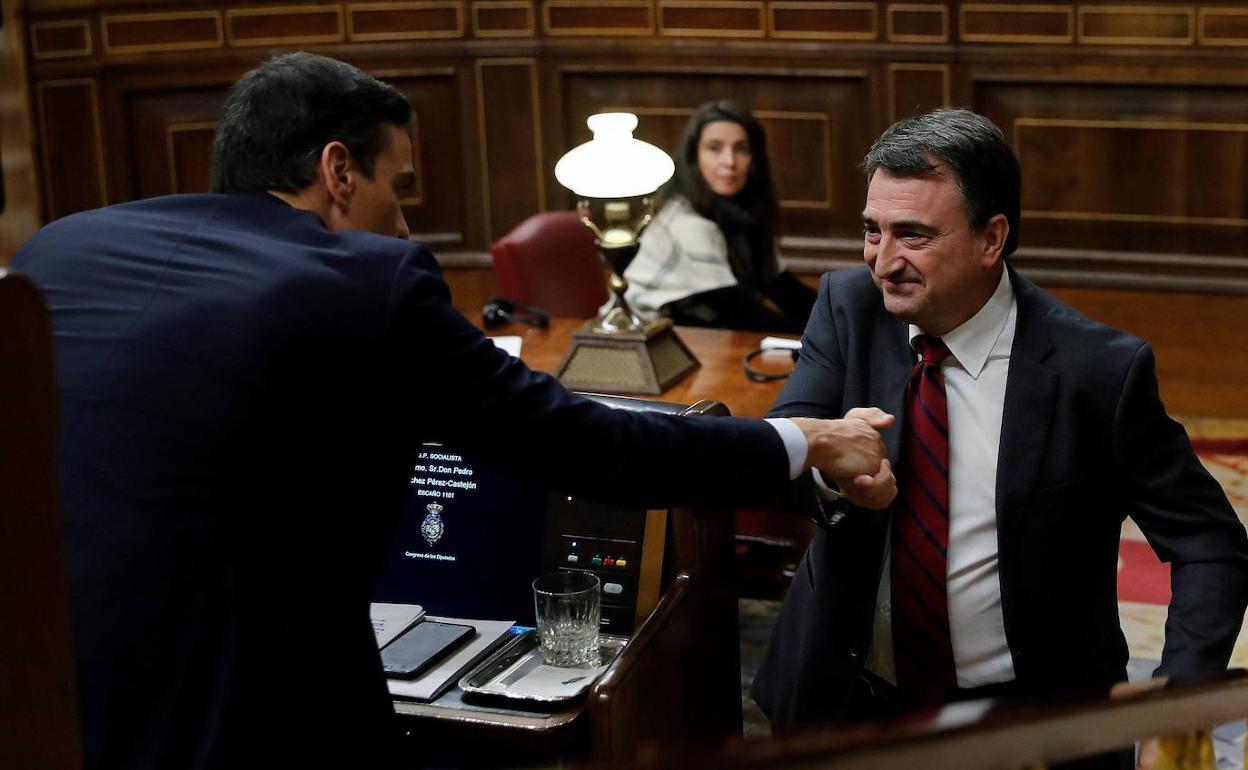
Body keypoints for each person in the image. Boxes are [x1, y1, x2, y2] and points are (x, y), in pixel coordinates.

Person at [11, 53, 892, 770]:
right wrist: (801, 440)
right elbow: (575, 440)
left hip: (44, 686)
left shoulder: (65, 245)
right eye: (400, 189)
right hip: (254, 707)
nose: (403, 227)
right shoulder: (365, 281)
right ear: (336, 171)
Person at [749, 108, 1248, 768]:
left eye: (914, 236)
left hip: (1029, 728)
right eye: (873, 231)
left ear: (992, 239)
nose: (883, 261)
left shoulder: (1096, 371)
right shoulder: (847, 308)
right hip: (846, 704)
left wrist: (1177, 696)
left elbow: (1208, 540)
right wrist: (826, 466)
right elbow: (787, 448)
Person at [621, 100, 816, 333]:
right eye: (714, 148)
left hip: (699, 332)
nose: (729, 162)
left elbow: (784, 289)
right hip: (642, 337)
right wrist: (822, 341)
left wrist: (844, 318)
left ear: (754, 160)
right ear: (694, 158)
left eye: (741, 149)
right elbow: (738, 312)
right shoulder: (685, 220)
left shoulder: (744, 214)